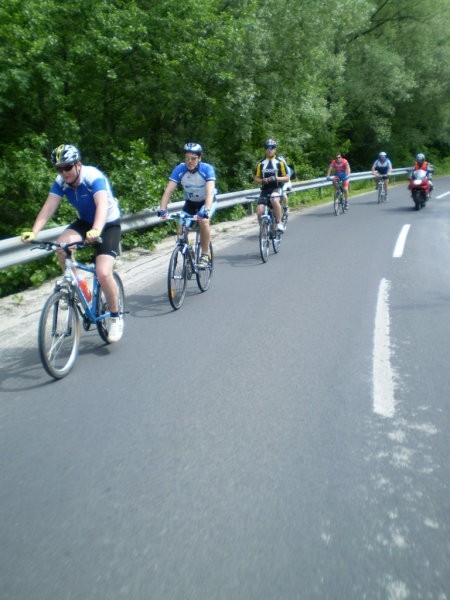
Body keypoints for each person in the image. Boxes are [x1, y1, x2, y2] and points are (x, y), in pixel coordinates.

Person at [21, 144, 123, 342]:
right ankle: (80, 288)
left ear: (78, 164)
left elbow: (102, 205)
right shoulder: (62, 181)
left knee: (102, 272)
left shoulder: (92, 176)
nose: (63, 172)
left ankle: (115, 316)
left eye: (67, 167)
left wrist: (97, 230)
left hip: (108, 222)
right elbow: (49, 206)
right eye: (59, 168)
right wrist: (34, 232)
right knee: (61, 247)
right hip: (85, 221)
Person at [158, 142, 217, 268]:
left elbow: (210, 192)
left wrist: (206, 210)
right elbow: (168, 191)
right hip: (190, 203)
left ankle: (205, 254)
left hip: (206, 201)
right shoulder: (180, 169)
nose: (189, 161)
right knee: (180, 231)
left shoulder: (207, 169)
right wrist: (163, 209)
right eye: (187, 158)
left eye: (193, 158)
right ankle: (189, 253)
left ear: (199, 158)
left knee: (204, 221)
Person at [254, 139, 290, 232]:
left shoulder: (280, 162)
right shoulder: (260, 163)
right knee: (259, 212)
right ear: (264, 150)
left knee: (274, 199)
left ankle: (279, 223)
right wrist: (262, 180)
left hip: (277, 188)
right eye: (267, 148)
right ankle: (264, 234)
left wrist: (276, 178)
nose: (269, 150)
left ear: (275, 149)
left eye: (272, 148)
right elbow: (256, 178)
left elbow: (287, 178)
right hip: (265, 189)